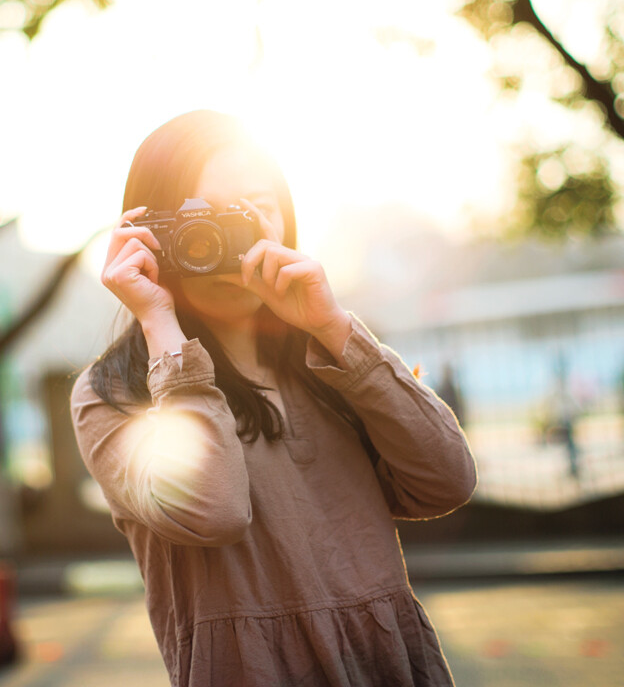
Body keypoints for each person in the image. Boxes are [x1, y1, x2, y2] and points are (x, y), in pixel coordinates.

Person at [71, 110, 477, 687]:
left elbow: (448, 480)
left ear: (287, 217)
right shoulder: (114, 394)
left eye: (252, 207)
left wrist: (334, 327)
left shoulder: (333, 359)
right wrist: (160, 324)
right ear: (145, 228)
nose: (225, 235)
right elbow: (214, 511)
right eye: (197, 216)